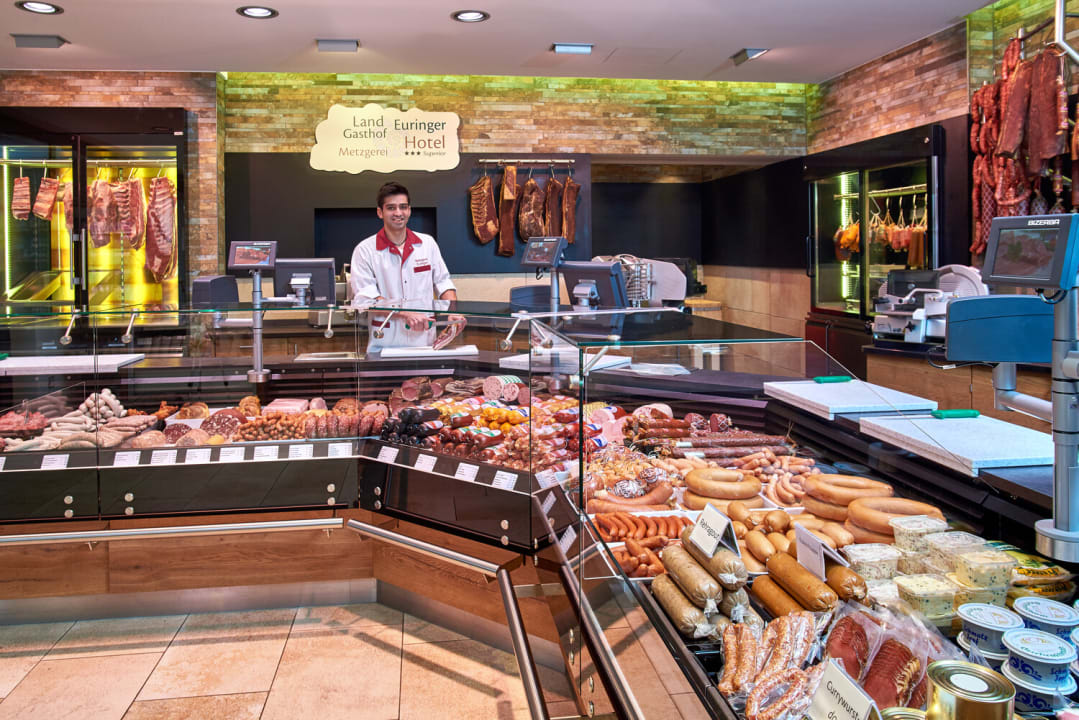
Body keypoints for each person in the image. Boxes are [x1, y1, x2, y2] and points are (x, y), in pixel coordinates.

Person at [349, 182, 461, 348]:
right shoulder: (365, 250)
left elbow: (443, 283)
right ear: (380, 212)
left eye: (403, 207)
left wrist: (453, 312)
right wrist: (405, 313)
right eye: (391, 208)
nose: (398, 213)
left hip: (424, 340)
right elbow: (366, 298)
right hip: (385, 341)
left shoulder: (427, 243)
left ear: (409, 210)